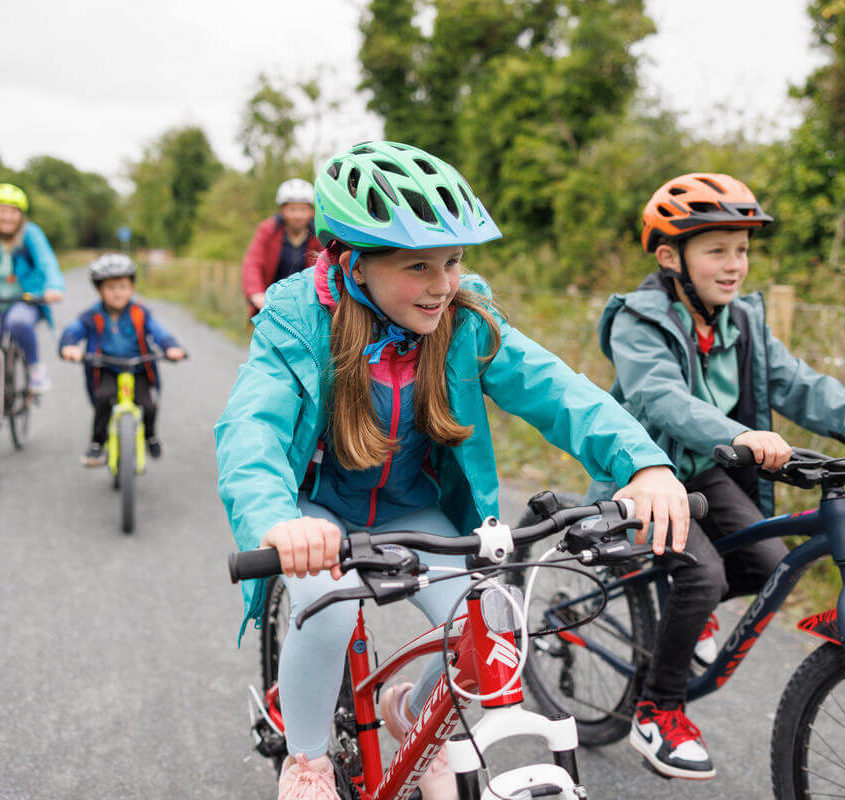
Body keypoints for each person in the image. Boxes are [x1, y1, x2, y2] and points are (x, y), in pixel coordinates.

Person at [216, 141, 692, 800]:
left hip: (415, 508)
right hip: (320, 510)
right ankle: (307, 761)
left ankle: (416, 724)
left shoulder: (463, 318)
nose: (443, 285)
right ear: (353, 261)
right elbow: (253, 429)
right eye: (419, 266)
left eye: (454, 261)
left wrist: (643, 463)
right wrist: (277, 521)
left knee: (489, 623)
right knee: (323, 613)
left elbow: (553, 387)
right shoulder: (299, 319)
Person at [586, 172, 845, 780]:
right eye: (717, 249)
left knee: (770, 562)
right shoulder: (637, 320)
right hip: (646, 471)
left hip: (705, 474)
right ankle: (657, 709)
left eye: (742, 249)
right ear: (671, 257)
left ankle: (688, 618)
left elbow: (800, 386)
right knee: (701, 575)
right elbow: (659, 396)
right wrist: (737, 434)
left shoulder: (742, 320)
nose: (735, 264)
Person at [59, 254, 185, 466]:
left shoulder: (140, 313)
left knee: (149, 405)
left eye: (123, 287)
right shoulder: (91, 316)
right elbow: (72, 331)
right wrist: (69, 346)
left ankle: (150, 437)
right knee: (103, 399)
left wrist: (171, 346)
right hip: (105, 367)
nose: (118, 293)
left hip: (138, 368)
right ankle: (97, 443)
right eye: (111, 288)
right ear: (99, 290)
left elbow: (160, 333)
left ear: (132, 288)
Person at [0, 183, 64, 393]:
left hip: (25, 299)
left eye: (13, 212)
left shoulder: (31, 234)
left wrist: (53, 287)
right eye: (2, 211)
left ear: (20, 215)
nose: (7, 217)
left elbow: (47, 262)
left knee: (18, 322)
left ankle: (35, 368)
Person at [242, 178, 324, 313]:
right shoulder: (268, 230)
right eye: (292, 209)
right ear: (282, 210)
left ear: (311, 211)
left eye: (303, 209)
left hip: (307, 307)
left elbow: (324, 268)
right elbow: (253, 263)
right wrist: (255, 293)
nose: (297, 215)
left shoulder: (320, 234)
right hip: (269, 304)